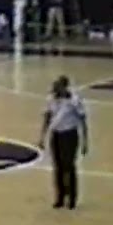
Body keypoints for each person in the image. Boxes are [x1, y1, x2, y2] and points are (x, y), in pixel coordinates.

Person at [39, 76, 89, 209]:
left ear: (64, 87)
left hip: (70, 135)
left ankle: (72, 197)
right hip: (56, 135)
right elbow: (47, 117)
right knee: (58, 167)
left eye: (58, 87)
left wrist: (85, 141)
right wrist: (42, 137)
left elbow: (83, 120)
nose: (55, 90)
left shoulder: (74, 101)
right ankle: (60, 196)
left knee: (69, 166)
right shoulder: (51, 99)